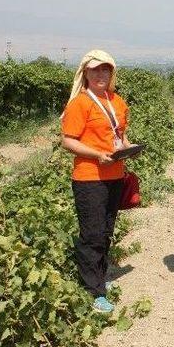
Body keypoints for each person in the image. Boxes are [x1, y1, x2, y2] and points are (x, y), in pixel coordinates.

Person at [61, 50, 132, 312]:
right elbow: (68, 140)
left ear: (111, 73)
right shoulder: (80, 103)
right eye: (95, 70)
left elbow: (119, 136)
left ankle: (98, 278)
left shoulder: (117, 101)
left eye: (106, 70)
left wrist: (128, 146)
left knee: (105, 231)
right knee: (91, 234)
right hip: (90, 177)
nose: (101, 74)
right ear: (86, 73)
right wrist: (96, 155)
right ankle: (94, 292)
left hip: (115, 175)